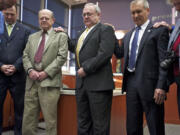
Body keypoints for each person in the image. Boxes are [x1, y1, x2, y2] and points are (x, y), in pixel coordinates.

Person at [114, 0, 169, 135]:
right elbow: (120, 53)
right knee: (132, 127)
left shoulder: (159, 31)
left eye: (139, 11)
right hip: (131, 85)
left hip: (152, 87)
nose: (135, 15)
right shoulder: (128, 36)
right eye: (133, 12)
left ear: (147, 11)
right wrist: (110, 33)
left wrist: (161, 86)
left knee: (155, 127)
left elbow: (164, 61)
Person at [68, 3, 116, 135]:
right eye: (84, 14)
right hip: (82, 85)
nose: (86, 16)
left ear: (98, 15)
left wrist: (86, 69)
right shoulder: (81, 33)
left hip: (99, 85)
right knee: (83, 123)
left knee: (100, 126)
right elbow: (76, 49)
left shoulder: (105, 29)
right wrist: (64, 36)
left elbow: (105, 53)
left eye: (89, 14)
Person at [22, 9, 68, 135]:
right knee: (28, 119)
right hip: (31, 82)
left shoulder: (61, 36)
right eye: (41, 18)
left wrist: (46, 73)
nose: (43, 20)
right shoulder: (32, 37)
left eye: (46, 18)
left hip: (50, 83)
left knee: (50, 121)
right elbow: (25, 55)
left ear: (53, 20)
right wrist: (30, 70)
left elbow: (62, 57)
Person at [0, 4, 30, 135]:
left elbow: (27, 53)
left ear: (17, 14)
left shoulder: (25, 30)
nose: (9, 16)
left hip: (18, 77)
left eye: (12, 14)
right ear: (3, 13)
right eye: (7, 14)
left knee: (20, 109)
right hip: (0, 76)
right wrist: (1, 66)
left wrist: (16, 66)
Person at [154, 0, 180, 118]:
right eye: (174, 5)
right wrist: (170, 29)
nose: (177, 8)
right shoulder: (178, 22)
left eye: (178, 3)